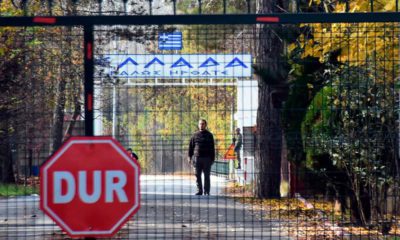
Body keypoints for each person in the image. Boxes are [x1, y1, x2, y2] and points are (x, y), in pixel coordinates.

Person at [188, 119, 215, 196]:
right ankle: (199, 190)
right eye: (200, 124)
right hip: (197, 158)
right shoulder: (194, 135)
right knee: (197, 175)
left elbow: (212, 148)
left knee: (207, 175)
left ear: (205, 125)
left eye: (203, 124)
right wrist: (189, 157)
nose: (201, 125)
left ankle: (207, 191)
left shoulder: (210, 135)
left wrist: (212, 158)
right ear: (198, 125)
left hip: (207, 158)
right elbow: (191, 147)